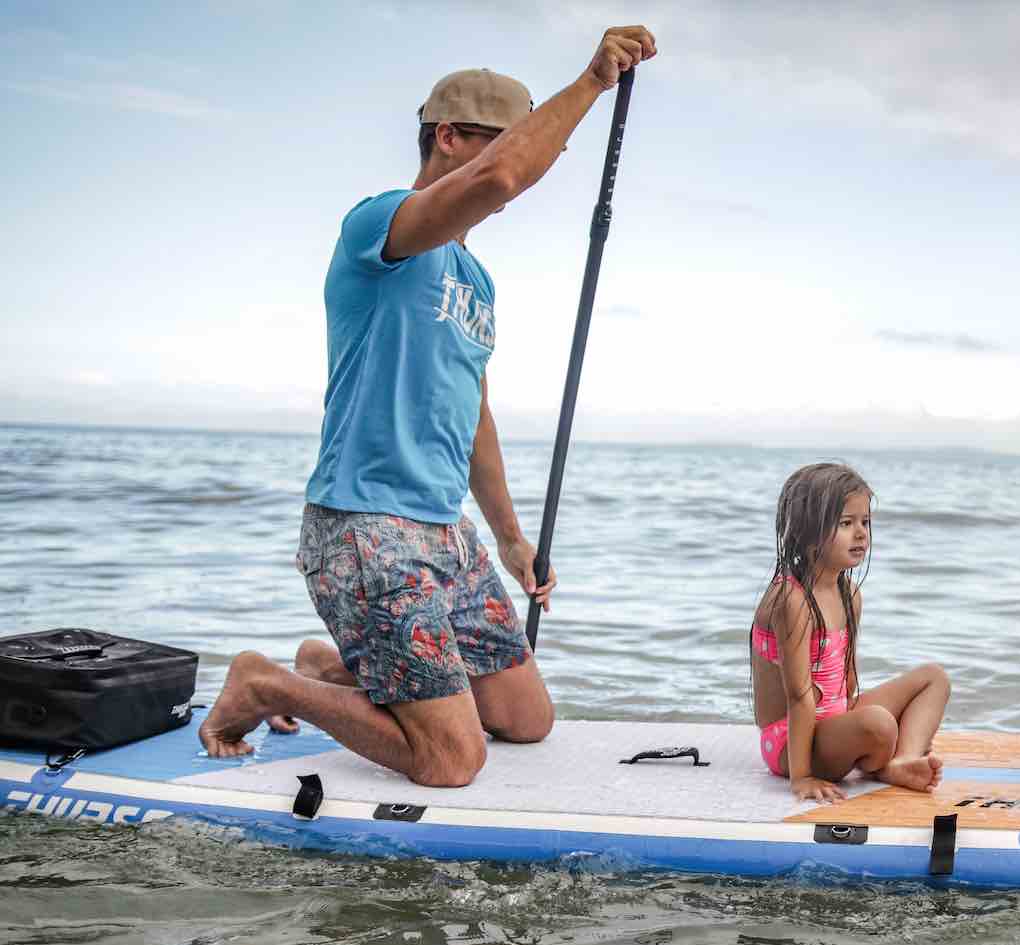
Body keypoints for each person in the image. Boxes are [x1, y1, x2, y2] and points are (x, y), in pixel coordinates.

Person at [197, 27, 659, 786]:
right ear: (447, 136)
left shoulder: (476, 280)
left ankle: (329, 667)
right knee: (453, 758)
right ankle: (264, 681)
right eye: (511, 140)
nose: (535, 159)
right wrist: (592, 83)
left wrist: (511, 541)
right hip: (365, 527)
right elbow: (502, 178)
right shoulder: (381, 225)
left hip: (446, 533)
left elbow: (471, 413)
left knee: (526, 719)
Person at [751, 463, 950, 802]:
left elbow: (847, 680)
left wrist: (851, 727)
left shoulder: (849, 595)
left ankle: (902, 760)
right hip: (790, 741)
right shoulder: (792, 599)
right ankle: (880, 763)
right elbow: (799, 697)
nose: (861, 533)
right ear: (809, 532)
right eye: (846, 523)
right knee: (880, 724)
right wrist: (802, 778)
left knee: (934, 678)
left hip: (832, 717)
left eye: (865, 522)